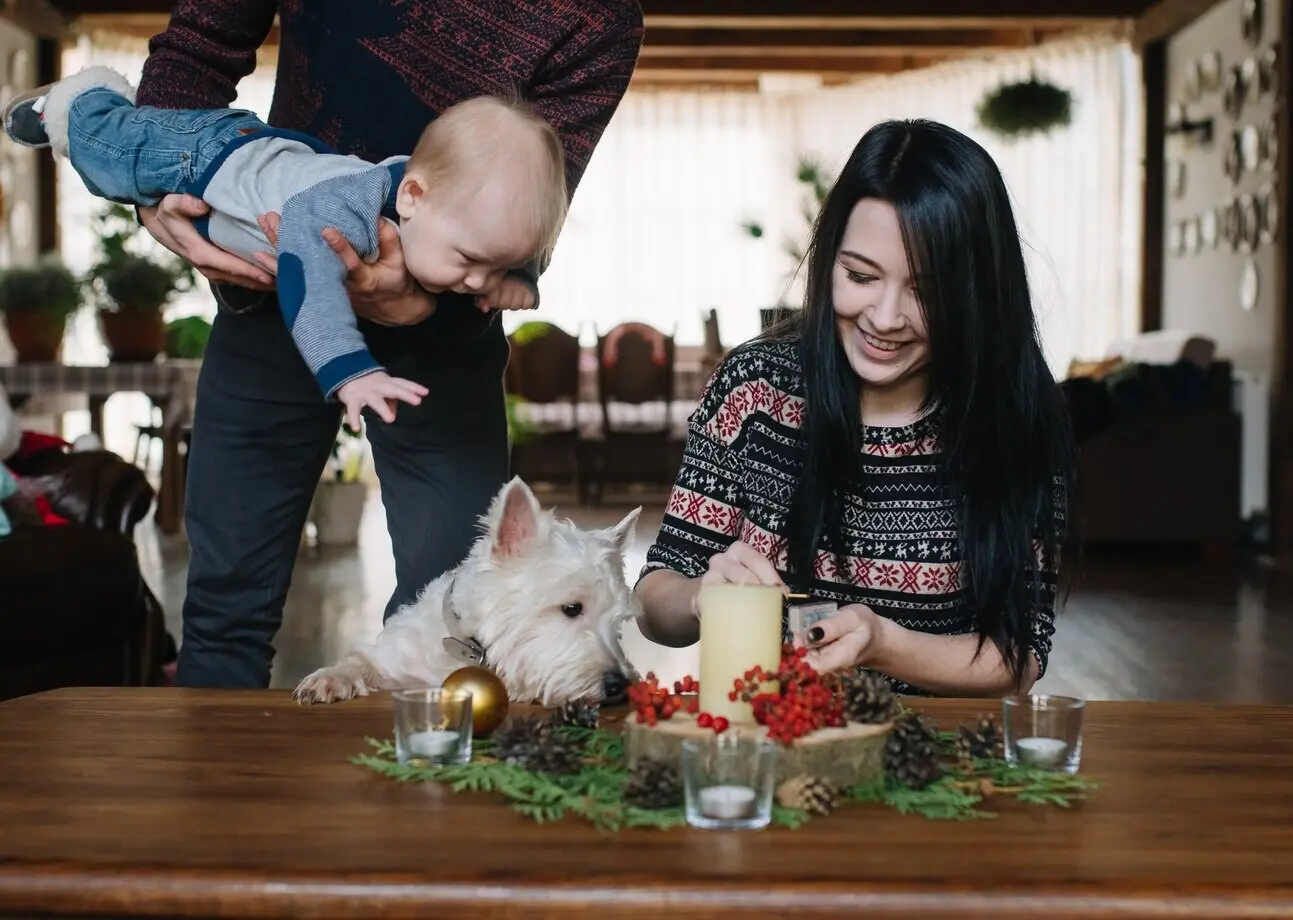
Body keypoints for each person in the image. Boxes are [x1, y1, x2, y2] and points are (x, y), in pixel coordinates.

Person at [96, 0, 644, 690]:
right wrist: (162, 183)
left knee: (461, 616)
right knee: (225, 604)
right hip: (274, 298)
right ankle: (208, 791)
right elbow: (197, 47)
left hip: (448, 339)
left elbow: (534, 199)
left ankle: (441, 792)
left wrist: (466, 286)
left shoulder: (601, 19)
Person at [634, 118, 1078, 698]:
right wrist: (699, 597)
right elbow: (653, 599)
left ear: (976, 293)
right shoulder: (756, 387)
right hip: (767, 743)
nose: (885, 317)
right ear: (828, 262)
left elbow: (1018, 654)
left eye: (926, 291)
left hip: (938, 754)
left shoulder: (1019, 415)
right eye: (860, 276)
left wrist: (884, 644)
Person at [4, 68, 568, 430]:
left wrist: (520, 276)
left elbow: (506, 237)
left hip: (273, 155)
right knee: (110, 160)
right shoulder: (334, 219)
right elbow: (310, 286)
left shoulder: (447, 209)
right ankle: (79, 101)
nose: (475, 283)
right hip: (205, 159)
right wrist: (350, 371)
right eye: (470, 261)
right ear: (413, 197)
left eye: (492, 266)